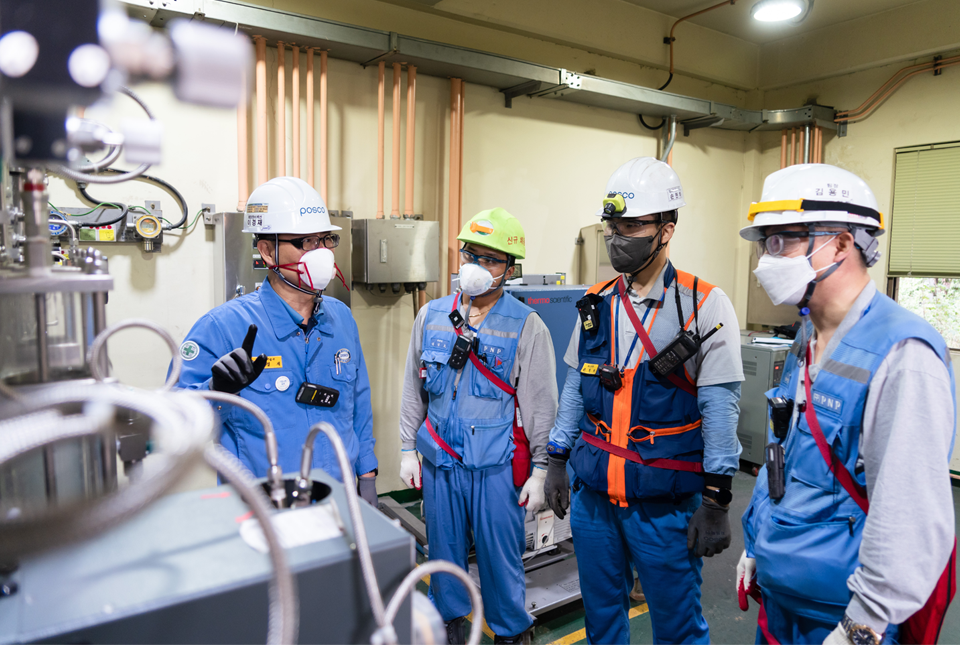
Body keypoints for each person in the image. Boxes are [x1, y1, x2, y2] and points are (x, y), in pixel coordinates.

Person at [737, 163, 956, 645]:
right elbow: (784, 452)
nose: (766, 259)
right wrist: (756, 542)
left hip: (841, 616)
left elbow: (909, 516)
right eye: (764, 242)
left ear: (840, 243)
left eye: (783, 240)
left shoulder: (903, 355)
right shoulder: (805, 340)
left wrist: (863, 626)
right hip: (782, 599)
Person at [543, 157, 744, 644]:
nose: (618, 236)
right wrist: (556, 457)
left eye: (632, 225)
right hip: (594, 502)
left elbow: (720, 409)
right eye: (614, 225)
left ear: (666, 229)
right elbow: (575, 385)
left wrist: (716, 500)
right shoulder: (596, 303)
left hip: (664, 504)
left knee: (676, 626)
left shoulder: (703, 305)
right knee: (602, 620)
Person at [398, 208, 558, 644]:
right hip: (438, 464)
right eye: (473, 255)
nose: (479, 267)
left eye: (492, 259)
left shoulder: (527, 325)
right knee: (444, 552)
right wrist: (406, 447)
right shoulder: (431, 315)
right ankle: (449, 621)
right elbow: (415, 387)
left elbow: (541, 404)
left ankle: (510, 631)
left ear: (510, 269)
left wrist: (541, 470)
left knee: (499, 557)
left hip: (493, 468)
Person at [176, 177, 378, 504]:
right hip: (262, 506)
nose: (322, 253)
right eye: (306, 242)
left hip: (338, 498)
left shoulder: (341, 318)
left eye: (326, 240)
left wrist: (366, 475)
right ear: (268, 251)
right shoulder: (223, 327)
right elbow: (176, 423)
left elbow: (358, 401)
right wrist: (215, 390)